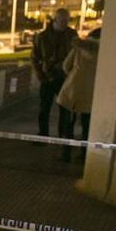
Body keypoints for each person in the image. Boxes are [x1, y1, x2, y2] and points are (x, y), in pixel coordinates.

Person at [56, 28, 101, 161]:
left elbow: (65, 66)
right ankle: (83, 155)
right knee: (87, 126)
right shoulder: (105, 51)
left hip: (72, 90)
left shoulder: (79, 48)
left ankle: (65, 153)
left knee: (67, 124)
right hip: (91, 93)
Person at [32, 8, 78, 138]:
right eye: (63, 20)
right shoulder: (42, 37)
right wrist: (40, 75)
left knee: (65, 109)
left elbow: (77, 55)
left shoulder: (72, 35)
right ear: (55, 20)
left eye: (67, 20)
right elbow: (35, 58)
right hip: (48, 77)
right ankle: (43, 135)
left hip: (65, 78)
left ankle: (62, 136)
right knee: (44, 108)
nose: (65, 23)